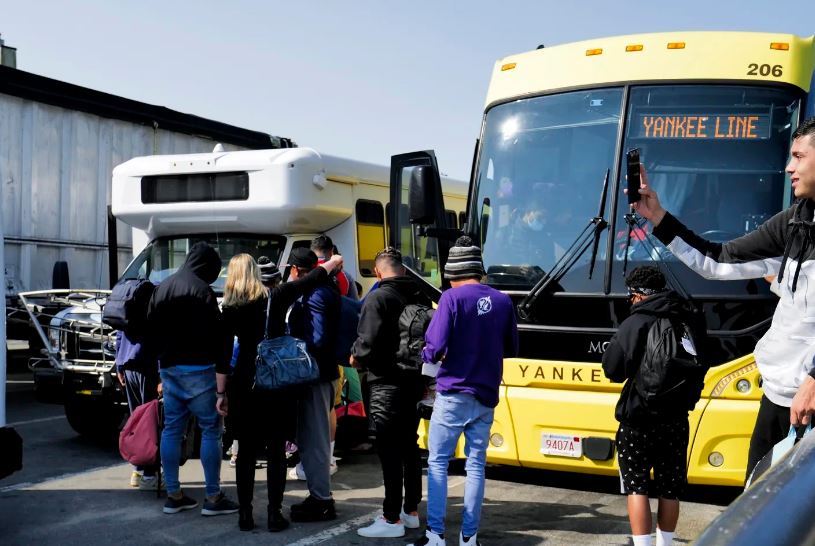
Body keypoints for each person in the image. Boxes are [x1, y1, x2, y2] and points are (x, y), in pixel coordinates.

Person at [632, 117, 815, 479]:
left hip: (809, 398)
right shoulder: (793, 222)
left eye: (798, 156)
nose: (789, 166)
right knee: (756, 507)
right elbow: (716, 260)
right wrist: (657, 217)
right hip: (779, 398)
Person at [221, 253, 343, 532]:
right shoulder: (276, 297)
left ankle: (245, 514)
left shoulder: (228, 308)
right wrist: (332, 262)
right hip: (274, 382)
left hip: (243, 383)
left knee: (246, 452)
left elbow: (222, 355)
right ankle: (275, 514)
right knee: (276, 450)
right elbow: (313, 277)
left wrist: (220, 393)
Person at [410, 236, 519, 546]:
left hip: (454, 391)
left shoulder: (451, 299)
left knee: (438, 463)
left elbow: (434, 348)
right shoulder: (502, 300)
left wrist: (429, 355)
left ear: (451, 273)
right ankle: (469, 538)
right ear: (479, 270)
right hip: (486, 396)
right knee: (475, 465)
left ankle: (435, 535)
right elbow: (511, 347)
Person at [602, 266, 707, 546]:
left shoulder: (635, 322)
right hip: (676, 419)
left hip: (638, 418)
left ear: (637, 295)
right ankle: (666, 544)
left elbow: (613, 369)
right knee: (670, 488)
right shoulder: (689, 318)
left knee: (636, 486)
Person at [145, 241, 239, 516]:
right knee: (210, 430)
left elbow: (150, 330)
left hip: (169, 370)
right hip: (200, 372)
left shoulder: (163, 287)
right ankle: (212, 496)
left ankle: (173, 494)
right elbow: (220, 339)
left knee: (172, 429)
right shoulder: (203, 292)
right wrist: (222, 388)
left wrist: (157, 371)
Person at [351, 247, 432, 538]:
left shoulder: (377, 297)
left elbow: (366, 343)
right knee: (409, 446)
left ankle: (390, 518)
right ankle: (410, 512)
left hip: (385, 382)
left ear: (377, 272)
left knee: (388, 450)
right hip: (414, 381)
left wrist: (354, 356)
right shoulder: (420, 295)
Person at [286, 247, 342, 522]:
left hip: (316, 376)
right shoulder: (322, 289)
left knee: (316, 440)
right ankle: (318, 495)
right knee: (310, 439)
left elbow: (317, 339)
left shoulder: (316, 295)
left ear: (297, 270)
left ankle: (321, 501)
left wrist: (297, 351)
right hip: (321, 374)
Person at [115, 329, 162, 490]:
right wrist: (161, 371)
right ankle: (149, 475)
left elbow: (120, 333)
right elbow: (159, 334)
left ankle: (137, 470)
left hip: (128, 362)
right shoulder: (150, 303)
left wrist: (119, 364)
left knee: (136, 420)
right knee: (150, 422)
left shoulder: (128, 302)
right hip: (148, 365)